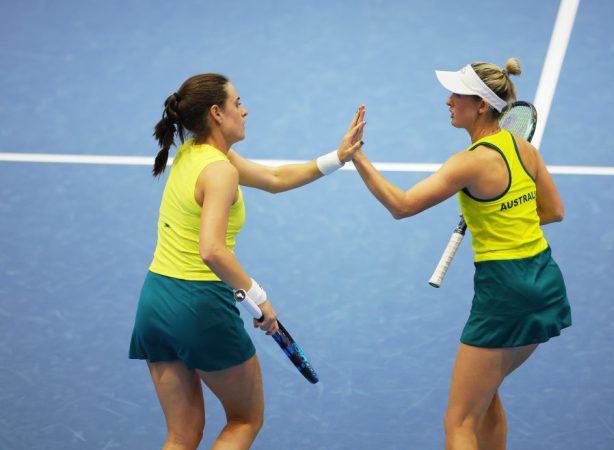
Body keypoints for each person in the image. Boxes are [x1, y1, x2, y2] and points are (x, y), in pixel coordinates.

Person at [128, 73, 365, 450]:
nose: (245, 109)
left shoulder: (195, 153)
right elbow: (212, 250)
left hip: (155, 304)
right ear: (217, 113)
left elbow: (272, 177)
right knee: (244, 419)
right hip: (199, 307)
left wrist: (337, 157)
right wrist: (259, 297)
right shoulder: (220, 170)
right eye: (238, 103)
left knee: (181, 436)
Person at [351, 59, 571, 449]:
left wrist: (356, 157)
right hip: (544, 281)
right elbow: (552, 211)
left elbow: (401, 205)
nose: (448, 101)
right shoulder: (523, 148)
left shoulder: (468, 163)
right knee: (485, 400)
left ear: (482, 105)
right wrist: (494, 211)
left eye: (457, 95)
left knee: (460, 422)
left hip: (504, 291)